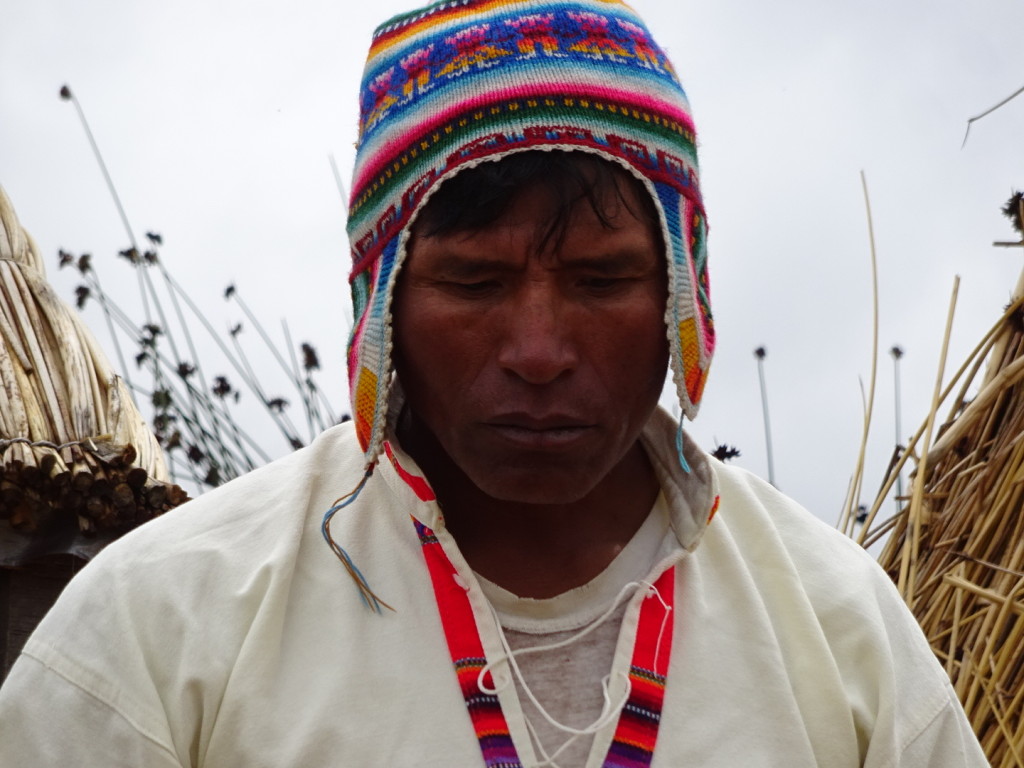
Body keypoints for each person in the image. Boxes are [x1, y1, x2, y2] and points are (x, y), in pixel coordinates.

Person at [0, 1, 989, 766]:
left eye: (603, 281)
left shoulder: (839, 634)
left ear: (682, 296)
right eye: (472, 282)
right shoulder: (155, 629)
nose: (538, 349)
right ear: (381, 303)